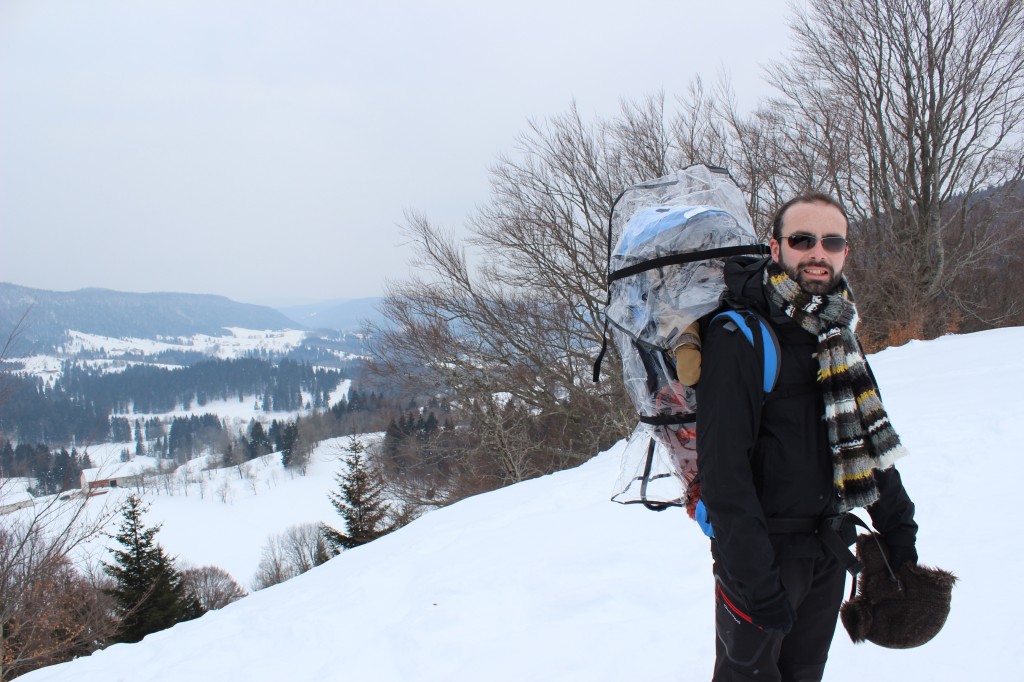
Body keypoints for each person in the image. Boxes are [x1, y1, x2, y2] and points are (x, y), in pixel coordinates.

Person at [695, 193, 919, 682]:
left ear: (845, 253)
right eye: (802, 239)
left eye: (831, 240)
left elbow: (870, 441)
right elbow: (723, 473)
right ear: (776, 249)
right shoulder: (741, 335)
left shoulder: (838, 332)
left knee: (804, 675)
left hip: (828, 548)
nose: (818, 252)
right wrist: (755, 581)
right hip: (761, 556)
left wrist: (900, 533)